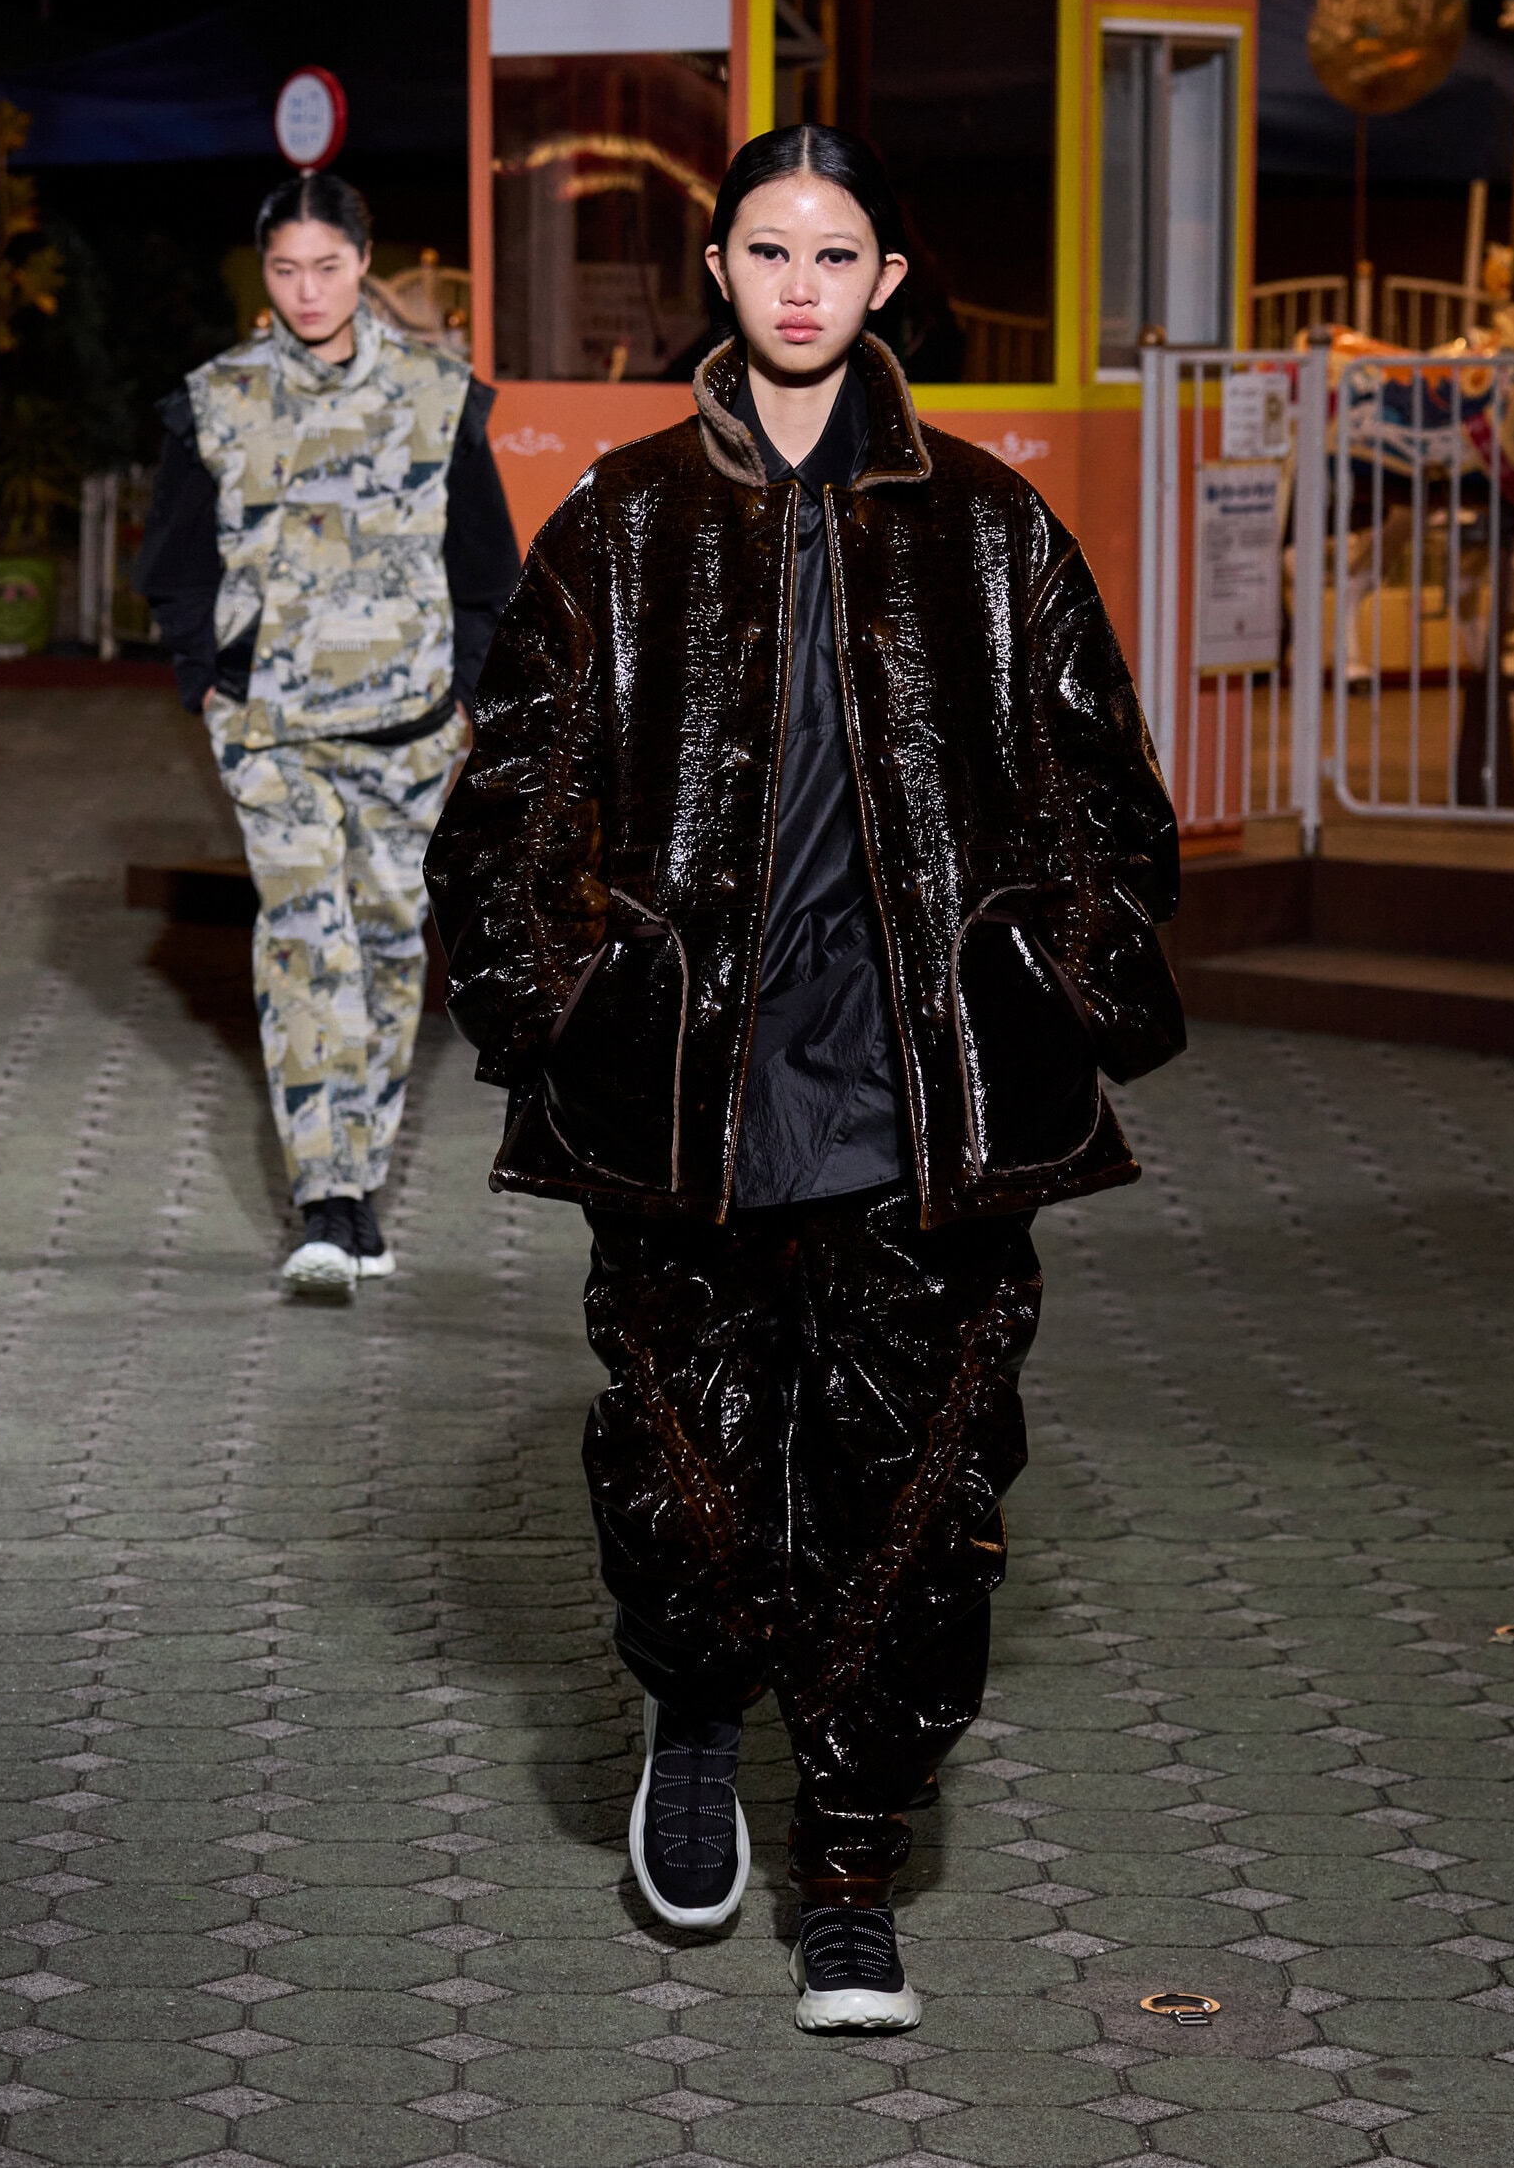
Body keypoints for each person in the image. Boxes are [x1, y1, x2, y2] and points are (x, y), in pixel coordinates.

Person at [424, 124, 1183, 2033]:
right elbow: (505, 804)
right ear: (717, 269)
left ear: (886, 284)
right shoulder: (622, 521)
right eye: (766, 250)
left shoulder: (989, 530)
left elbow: (1105, 790)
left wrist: (1051, 991)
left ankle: (851, 1859)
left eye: (834, 255)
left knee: (913, 1482)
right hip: (688, 1081)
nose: (797, 287)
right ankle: (690, 1716)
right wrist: (562, 1009)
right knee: (682, 1456)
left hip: (923, 1090)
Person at [137, 173, 520, 1295]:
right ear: (265, 274)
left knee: (392, 947)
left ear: (363, 263)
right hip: (274, 733)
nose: (307, 290)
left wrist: (463, 697)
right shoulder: (215, 401)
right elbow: (173, 565)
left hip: (411, 731)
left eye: (328, 266)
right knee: (308, 941)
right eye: (285, 269)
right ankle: (328, 1202)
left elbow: (486, 570)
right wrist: (210, 685)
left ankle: (361, 1180)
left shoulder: (437, 395)